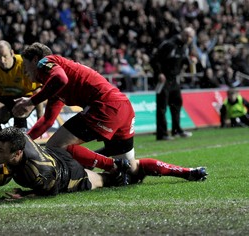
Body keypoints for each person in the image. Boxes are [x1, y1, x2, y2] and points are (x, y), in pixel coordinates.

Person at [12, 42, 207, 185]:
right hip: (122, 106)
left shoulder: (47, 62)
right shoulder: (53, 85)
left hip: (105, 107)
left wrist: (31, 101)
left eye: (25, 66)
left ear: (36, 60)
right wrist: (23, 141)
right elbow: (46, 120)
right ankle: (187, 172)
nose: (25, 72)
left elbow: (60, 78)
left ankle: (112, 165)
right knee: (132, 169)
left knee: (55, 145)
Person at [0, 127, 131, 199]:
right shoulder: (15, 138)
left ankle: (129, 169)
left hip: (68, 174)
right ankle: (110, 161)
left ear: (17, 153)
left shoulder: (39, 171)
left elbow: (52, 192)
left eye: (0, 151)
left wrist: (24, 195)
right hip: (56, 154)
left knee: (104, 180)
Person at [0, 40, 43, 150]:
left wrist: (40, 119)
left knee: (20, 109)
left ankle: (22, 145)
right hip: (3, 98)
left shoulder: (23, 64)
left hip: (25, 96)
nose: (2, 60)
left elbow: (38, 92)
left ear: (12, 53)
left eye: (5, 56)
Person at [151, 27, 196, 141]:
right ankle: (162, 134)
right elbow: (154, 59)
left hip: (174, 79)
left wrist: (191, 60)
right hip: (164, 79)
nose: (190, 40)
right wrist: (159, 73)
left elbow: (180, 59)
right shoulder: (169, 44)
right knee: (162, 107)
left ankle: (176, 130)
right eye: (189, 37)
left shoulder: (184, 46)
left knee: (176, 104)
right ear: (184, 35)